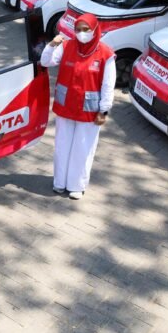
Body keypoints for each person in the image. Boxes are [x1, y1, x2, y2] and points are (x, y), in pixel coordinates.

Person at [40, 14, 116, 200]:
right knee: (62, 146)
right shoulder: (66, 46)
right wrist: (51, 44)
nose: (81, 33)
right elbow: (45, 62)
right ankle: (60, 182)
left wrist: (104, 110)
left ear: (94, 30)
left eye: (85, 29)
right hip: (66, 105)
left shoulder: (106, 53)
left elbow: (108, 85)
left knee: (83, 148)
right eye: (78, 29)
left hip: (89, 110)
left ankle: (77, 185)